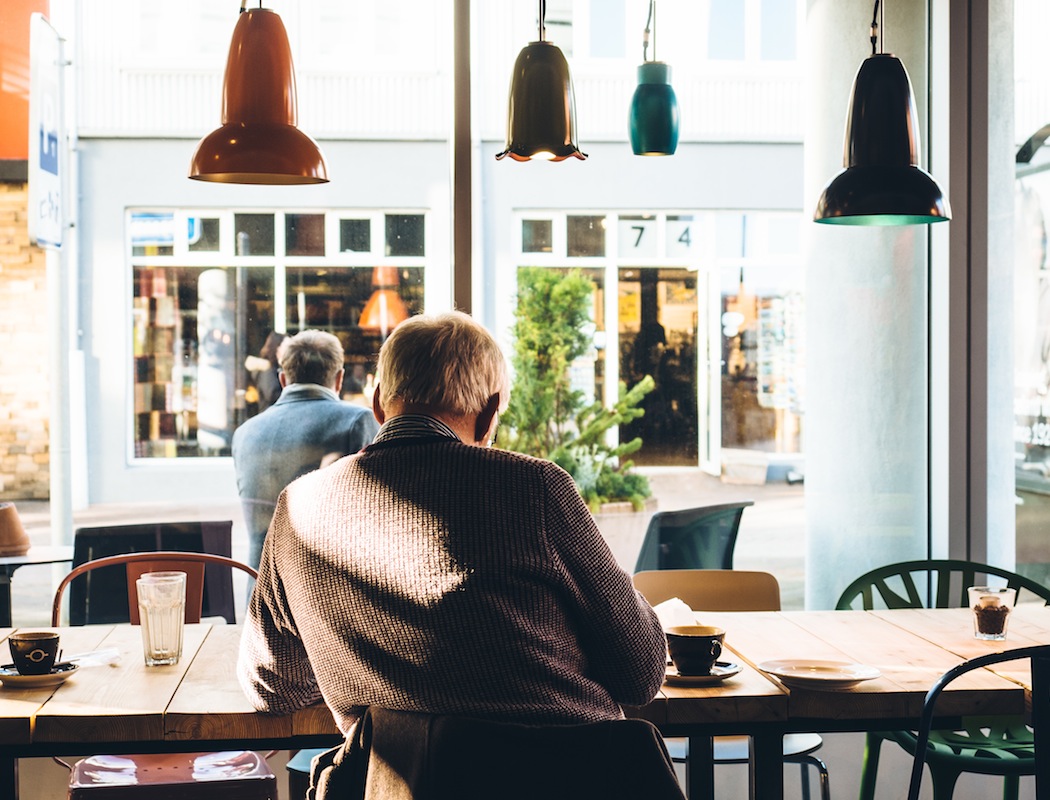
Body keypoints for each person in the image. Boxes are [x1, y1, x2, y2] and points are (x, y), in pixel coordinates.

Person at [237, 311, 666, 734]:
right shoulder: (535, 488)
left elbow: (272, 687)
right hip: (571, 777)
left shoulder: (298, 507)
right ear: (489, 413)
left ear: (378, 404)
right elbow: (641, 672)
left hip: (398, 784)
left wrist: (357, 659)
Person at [231, 329, 379, 574]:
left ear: (283, 380)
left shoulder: (245, 432)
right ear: (340, 379)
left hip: (259, 595)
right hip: (324, 596)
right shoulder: (356, 421)